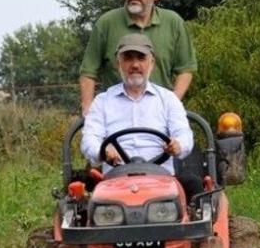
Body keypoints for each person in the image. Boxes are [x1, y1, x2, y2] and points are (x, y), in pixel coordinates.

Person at [80, 34, 197, 195]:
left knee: (195, 186)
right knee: (83, 198)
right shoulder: (102, 101)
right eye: (128, 58)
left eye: (141, 58)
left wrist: (178, 145)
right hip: (115, 181)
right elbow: (89, 139)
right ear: (118, 64)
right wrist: (102, 151)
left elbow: (184, 134)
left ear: (152, 63)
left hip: (161, 179)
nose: (135, 65)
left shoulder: (168, 99)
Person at [78, 0, 197, 116]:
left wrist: (171, 105)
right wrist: (88, 111)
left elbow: (186, 69)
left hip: (158, 117)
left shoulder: (173, 23)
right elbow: (88, 72)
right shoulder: (106, 23)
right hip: (115, 117)